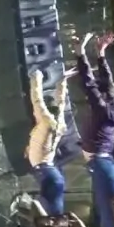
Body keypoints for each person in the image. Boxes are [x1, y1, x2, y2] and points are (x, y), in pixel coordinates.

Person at [75, 31, 114, 227]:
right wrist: (100, 54)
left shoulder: (101, 108)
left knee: (108, 218)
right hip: (113, 166)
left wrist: (81, 53)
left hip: (103, 167)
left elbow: (89, 83)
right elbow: (107, 82)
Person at [26, 67, 75, 216]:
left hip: (48, 173)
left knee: (51, 216)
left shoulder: (46, 120)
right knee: (50, 214)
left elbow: (37, 100)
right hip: (49, 173)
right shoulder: (58, 123)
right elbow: (61, 103)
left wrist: (37, 78)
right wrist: (62, 81)